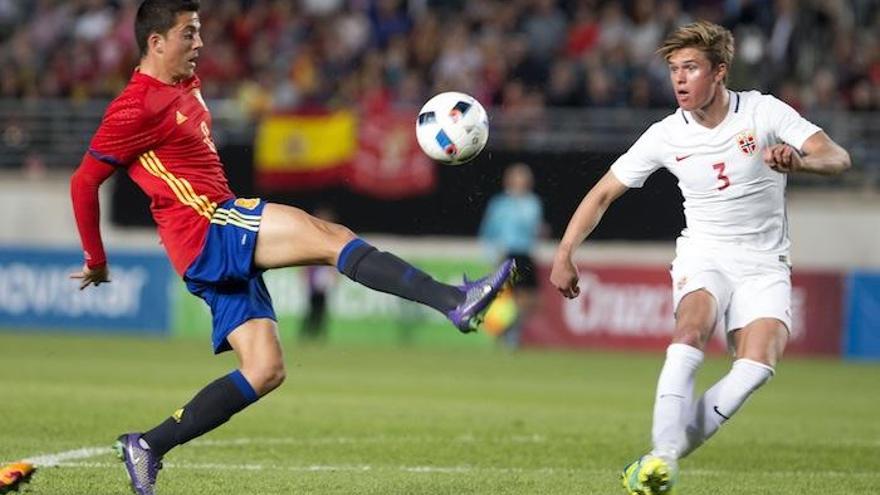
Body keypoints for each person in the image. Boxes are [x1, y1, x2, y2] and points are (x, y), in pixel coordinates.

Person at [68, 2, 514, 494]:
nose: (199, 43)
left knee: (264, 370)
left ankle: (148, 445)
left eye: (199, 32)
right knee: (333, 239)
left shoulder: (182, 85)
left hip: (206, 241)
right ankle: (454, 301)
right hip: (209, 227)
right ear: (155, 43)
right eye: (188, 34)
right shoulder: (135, 106)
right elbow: (84, 183)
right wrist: (97, 260)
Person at [549, 20, 850, 495]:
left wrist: (803, 162)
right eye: (674, 69)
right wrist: (566, 251)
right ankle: (663, 461)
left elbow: (837, 156)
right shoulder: (666, 134)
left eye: (691, 67)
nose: (680, 79)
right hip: (705, 253)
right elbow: (604, 192)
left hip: (766, 263)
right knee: (692, 326)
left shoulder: (762, 110)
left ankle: (656, 456)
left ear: (720, 72)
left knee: (756, 366)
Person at [479, 162, 545, 348]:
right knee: (508, 297)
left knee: (531, 300)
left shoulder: (533, 203)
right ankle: (509, 335)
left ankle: (511, 330)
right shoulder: (500, 204)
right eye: (518, 178)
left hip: (526, 253)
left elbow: (533, 229)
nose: (521, 182)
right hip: (507, 253)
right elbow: (488, 231)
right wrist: (492, 256)